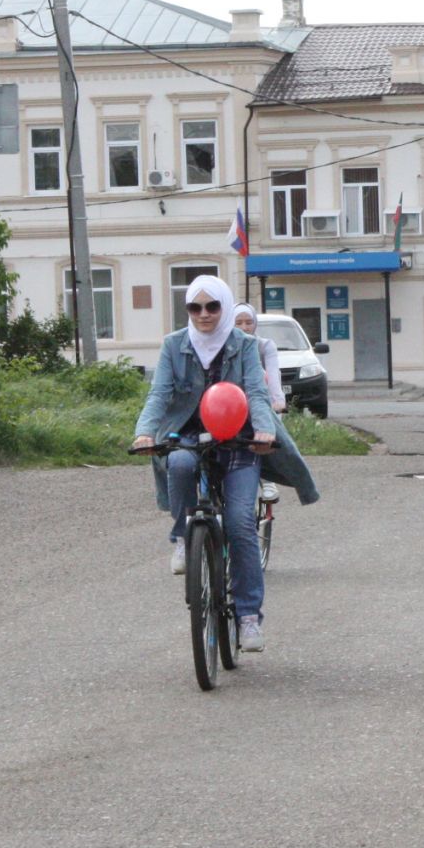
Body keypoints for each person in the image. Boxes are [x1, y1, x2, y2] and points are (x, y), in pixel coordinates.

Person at [133, 275, 319, 652]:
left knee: (239, 523)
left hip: (239, 440)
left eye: (212, 306)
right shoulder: (173, 345)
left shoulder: (245, 345)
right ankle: (184, 537)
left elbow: (255, 391)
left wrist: (264, 431)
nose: (204, 315)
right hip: (188, 437)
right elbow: (159, 394)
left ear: (225, 306)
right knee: (181, 466)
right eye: (195, 307)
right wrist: (145, 432)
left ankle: (249, 617)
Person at [232, 304, 286, 504]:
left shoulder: (264, 346)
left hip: (261, 397)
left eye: (249, 322)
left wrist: (277, 401)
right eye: (238, 323)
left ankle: (269, 479)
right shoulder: (224, 345)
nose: (244, 327)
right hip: (232, 402)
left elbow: (272, 375)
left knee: (264, 431)